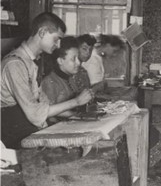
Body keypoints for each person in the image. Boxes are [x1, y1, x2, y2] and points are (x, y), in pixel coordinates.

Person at [1, 12, 93, 149]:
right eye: (56, 39)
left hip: (21, 123)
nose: (58, 44)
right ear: (43, 32)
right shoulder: (15, 64)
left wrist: (76, 116)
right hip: (8, 130)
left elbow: (43, 104)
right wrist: (76, 102)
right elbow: (35, 114)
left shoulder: (31, 63)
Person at [41, 37, 93, 120]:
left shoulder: (71, 78)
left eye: (78, 58)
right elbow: (47, 112)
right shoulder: (49, 82)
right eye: (73, 59)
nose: (78, 63)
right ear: (60, 61)